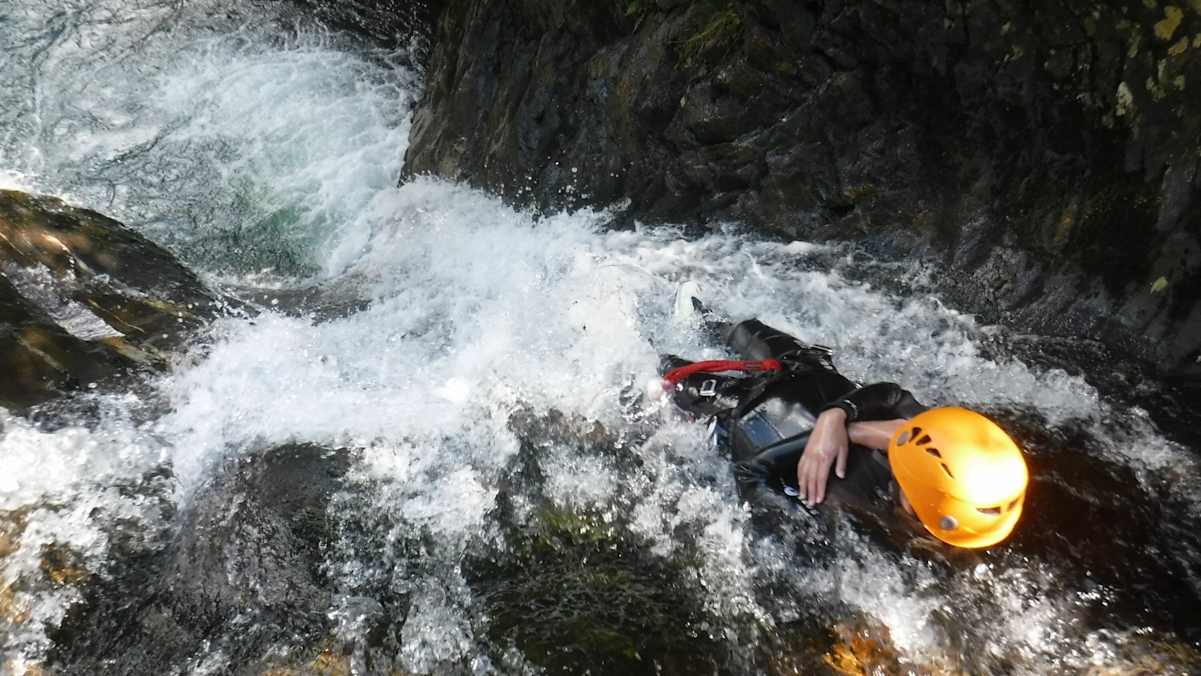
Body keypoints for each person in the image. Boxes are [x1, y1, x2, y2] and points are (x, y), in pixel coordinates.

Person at [659, 283, 1028, 549]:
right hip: (806, 370)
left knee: (667, 372)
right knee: (741, 330)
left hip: (748, 410)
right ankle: (704, 319)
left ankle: (654, 349)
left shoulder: (849, 506)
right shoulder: (936, 440)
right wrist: (837, 416)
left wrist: (848, 434)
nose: (905, 434)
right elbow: (894, 395)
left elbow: (750, 472)